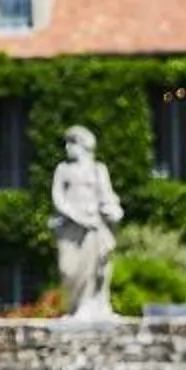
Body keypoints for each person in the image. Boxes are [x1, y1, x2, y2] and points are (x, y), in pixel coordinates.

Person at [50, 126, 123, 321]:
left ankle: (89, 306)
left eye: (72, 143)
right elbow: (58, 197)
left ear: (84, 145)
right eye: (67, 143)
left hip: (92, 226)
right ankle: (75, 306)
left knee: (94, 269)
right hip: (71, 228)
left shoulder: (98, 169)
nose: (68, 147)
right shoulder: (63, 169)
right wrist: (73, 215)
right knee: (68, 269)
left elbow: (106, 195)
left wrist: (114, 210)